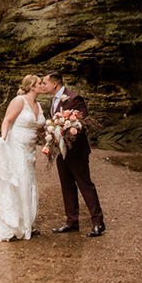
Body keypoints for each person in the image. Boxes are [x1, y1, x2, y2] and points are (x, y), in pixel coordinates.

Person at [42, 71, 105, 237]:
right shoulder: (52, 100)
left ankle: (98, 223)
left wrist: (68, 127)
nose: (43, 86)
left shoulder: (74, 98)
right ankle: (71, 222)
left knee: (85, 185)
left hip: (77, 151)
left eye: (45, 83)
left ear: (54, 84)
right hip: (61, 150)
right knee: (67, 186)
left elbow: (82, 120)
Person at [0, 74, 45, 242]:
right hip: (16, 147)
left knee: (29, 183)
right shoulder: (19, 101)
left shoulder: (39, 105)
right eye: (39, 83)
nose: (43, 85)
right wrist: (4, 140)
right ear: (31, 86)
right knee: (20, 182)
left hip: (30, 150)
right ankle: (15, 225)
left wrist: (51, 138)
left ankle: (26, 222)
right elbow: (7, 120)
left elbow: (39, 129)